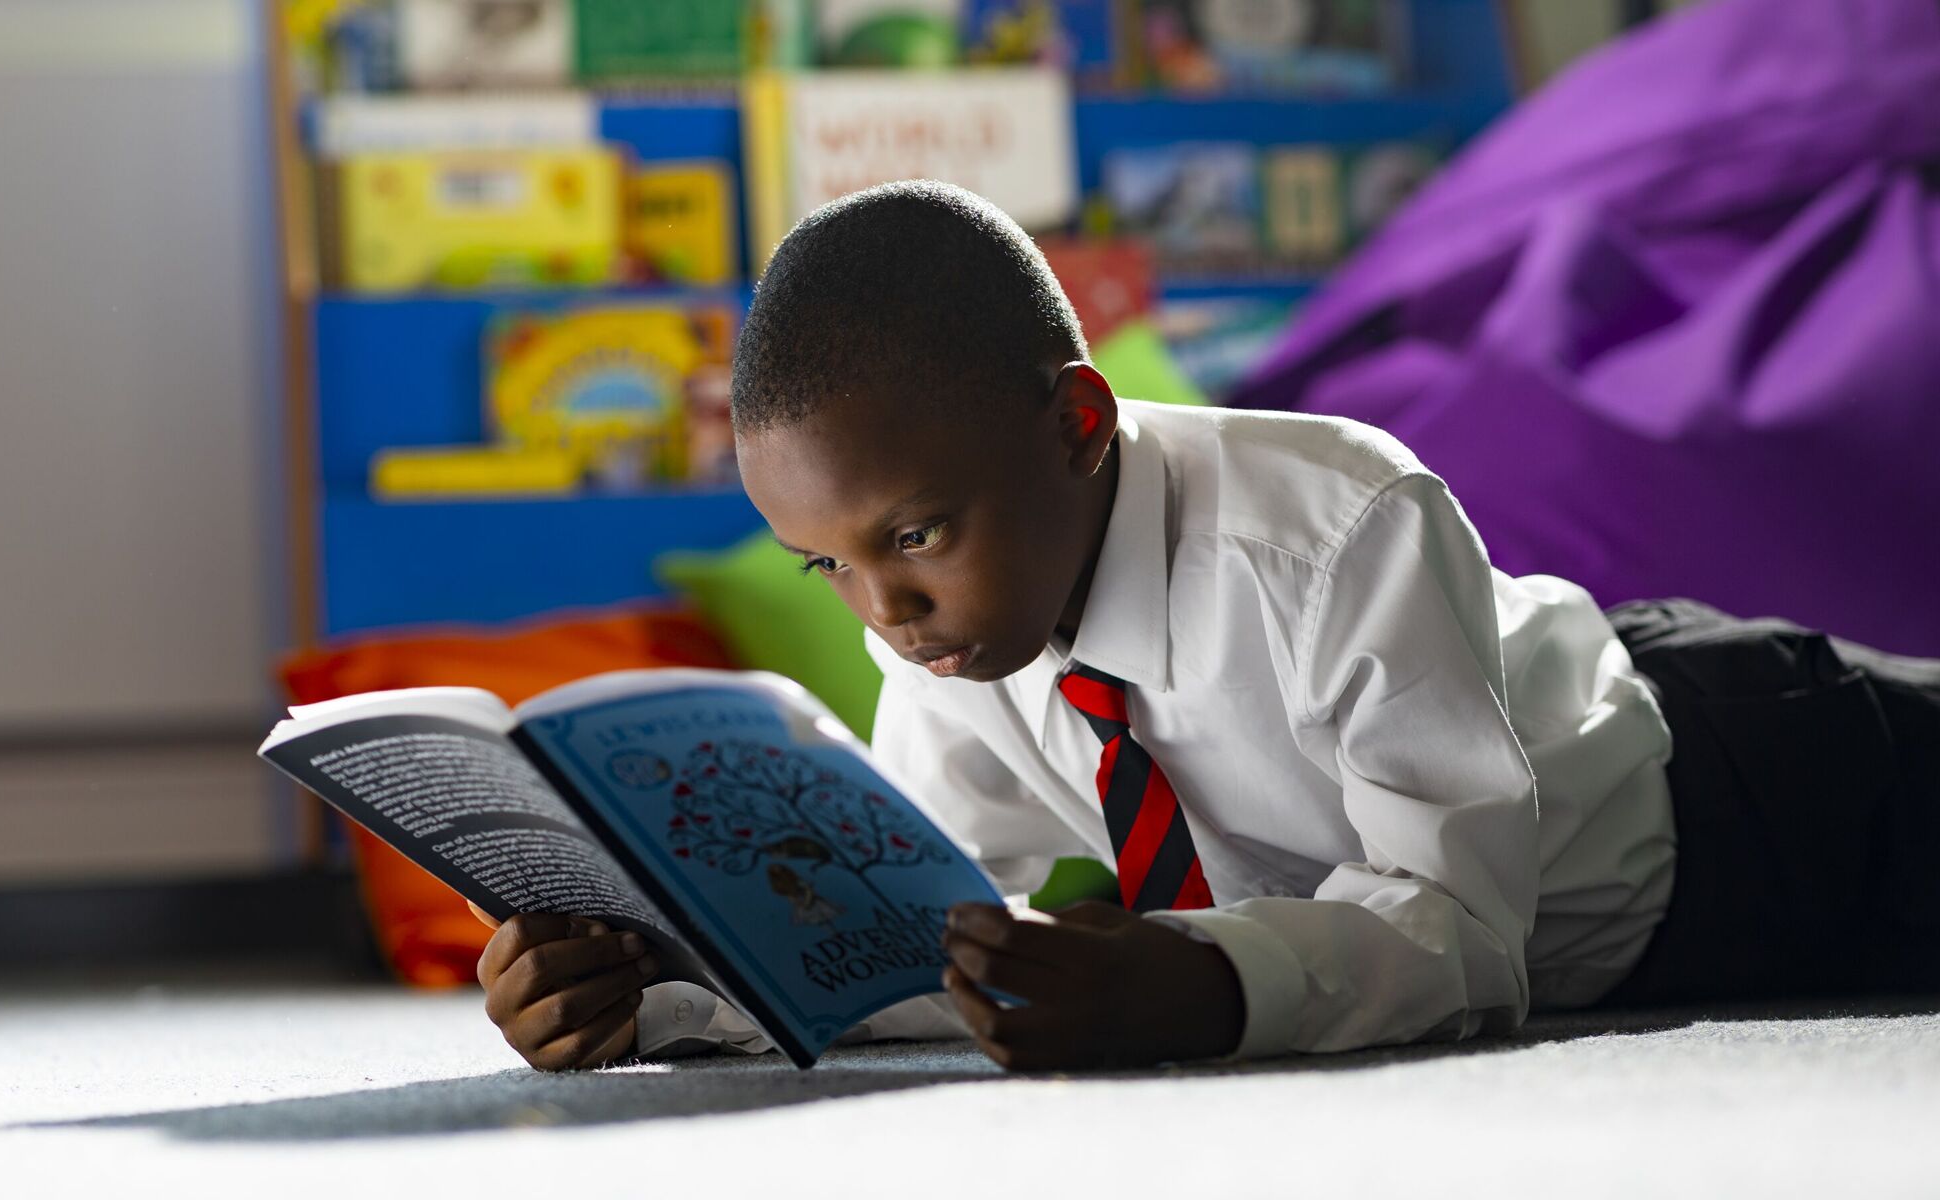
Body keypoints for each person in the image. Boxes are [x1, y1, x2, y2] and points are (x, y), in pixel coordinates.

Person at [473, 182, 1940, 1073]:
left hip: (1755, 783)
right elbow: (901, 941)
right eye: (828, 569)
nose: (887, 614)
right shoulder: (943, 629)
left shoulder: (1338, 520)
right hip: (1620, 902)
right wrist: (664, 996)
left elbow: (1464, 931)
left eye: (914, 537)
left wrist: (1208, 981)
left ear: (1077, 423)